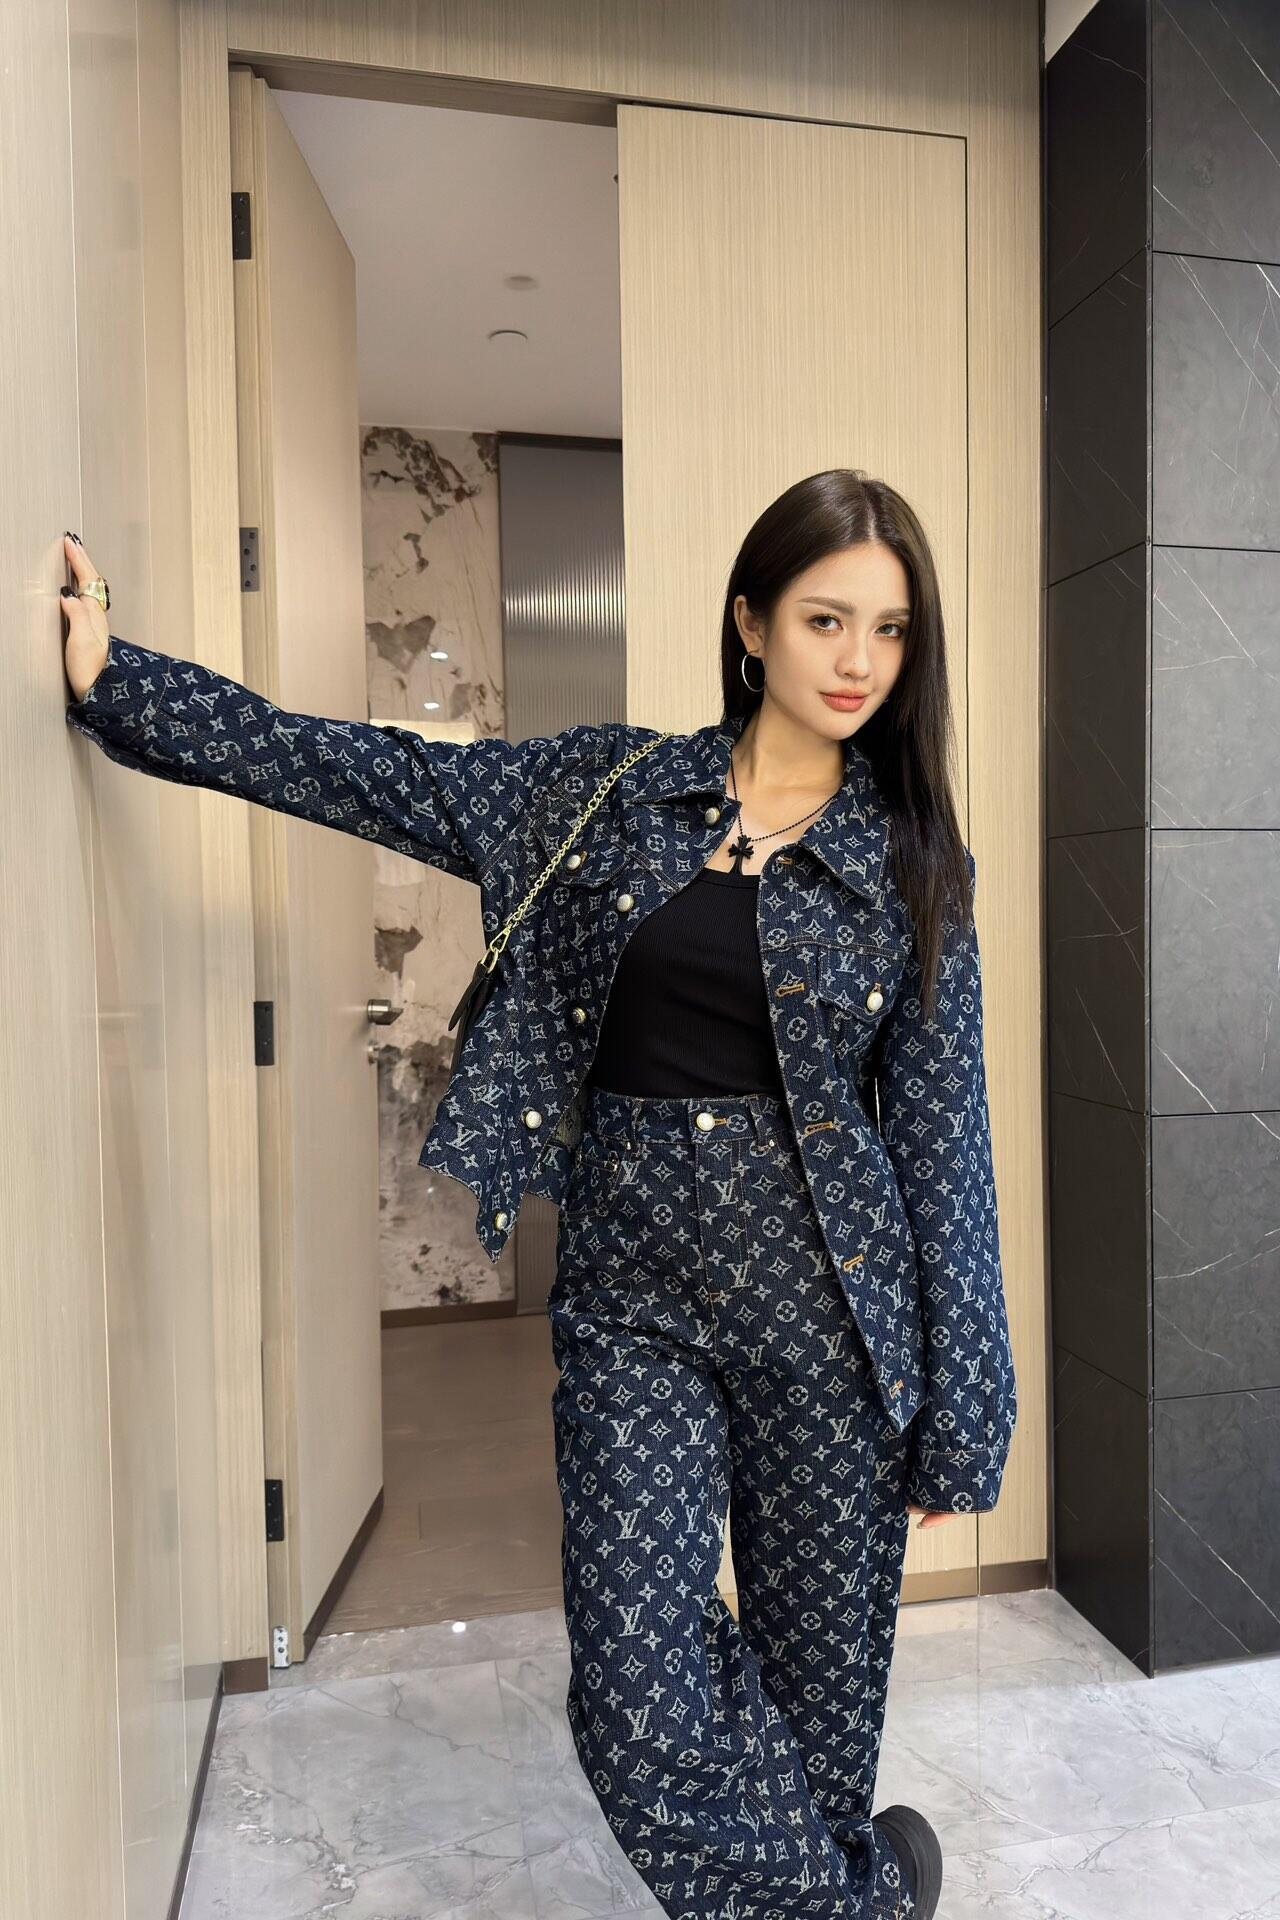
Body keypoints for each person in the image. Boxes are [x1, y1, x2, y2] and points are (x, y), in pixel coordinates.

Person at [59, 468, 1017, 1920]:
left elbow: (947, 1150)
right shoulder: (605, 795)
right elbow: (365, 772)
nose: (858, 662)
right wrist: (118, 684)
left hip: (830, 1322)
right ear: (751, 623)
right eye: (827, 620)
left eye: (890, 631)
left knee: (818, 1729)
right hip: (631, 1309)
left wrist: (966, 1410)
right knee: (638, 1705)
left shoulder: (911, 866)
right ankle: (875, 1891)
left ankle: (846, 1864)